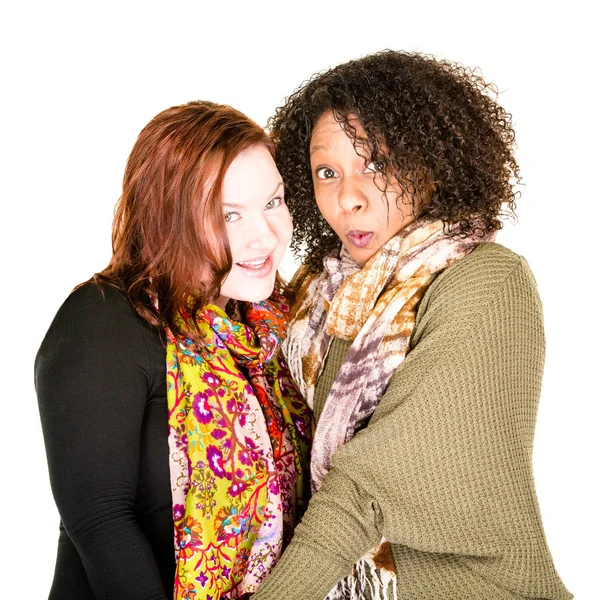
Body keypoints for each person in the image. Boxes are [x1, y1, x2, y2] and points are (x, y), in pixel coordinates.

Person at [252, 51, 573, 600]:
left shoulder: (488, 283)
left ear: (432, 161)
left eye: (375, 164)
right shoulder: (319, 293)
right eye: (327, 173)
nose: (348, 198)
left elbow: (368, 487)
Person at [35, 101, 312, 600]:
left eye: (273, 202)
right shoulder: (104, 320)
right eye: (229, 215)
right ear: (167, 218)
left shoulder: (277, 320)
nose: (266, 236)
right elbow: (101, 521)